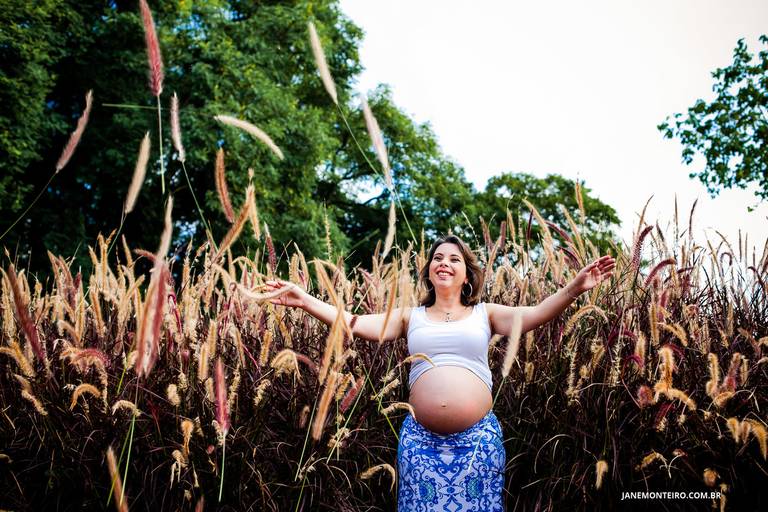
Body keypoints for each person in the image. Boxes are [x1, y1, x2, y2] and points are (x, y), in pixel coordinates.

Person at [264, 234, 615, 511]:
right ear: (429, 271)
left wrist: (575, 288)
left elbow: (536, 313)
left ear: (467, 275)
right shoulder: (409, 317)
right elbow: (353, 323)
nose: (444, 263)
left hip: (477, 443)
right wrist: (305, 300)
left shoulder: (485, 313)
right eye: (437, 258)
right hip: (420, 444)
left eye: (454, 259)